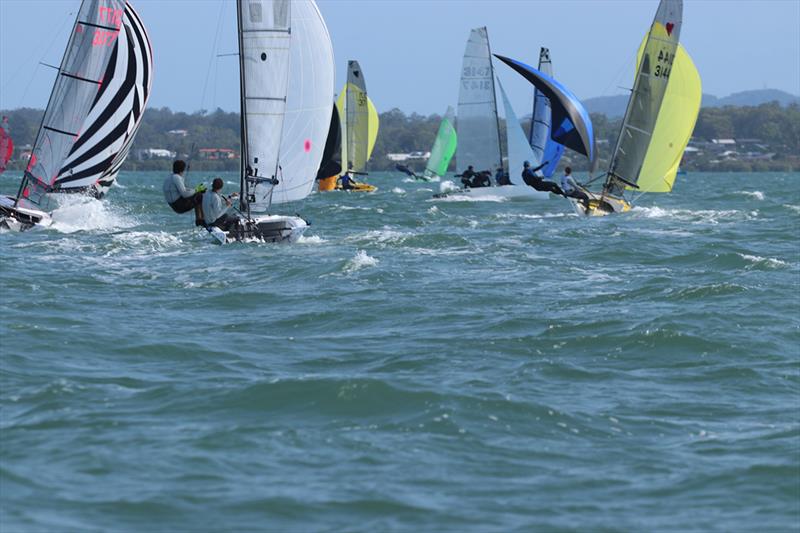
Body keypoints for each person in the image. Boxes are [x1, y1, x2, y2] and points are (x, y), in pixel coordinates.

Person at [163, 160, 205, 225]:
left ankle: (199, 220)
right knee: (200, 196)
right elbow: (185, 194)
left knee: (197, 194)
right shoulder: (177, 178)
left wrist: (195, 190)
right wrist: (196, 190)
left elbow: (183, 190)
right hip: (179, 206)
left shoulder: (169, 177)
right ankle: (202, 220)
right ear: (182, 169)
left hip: (174, 205)